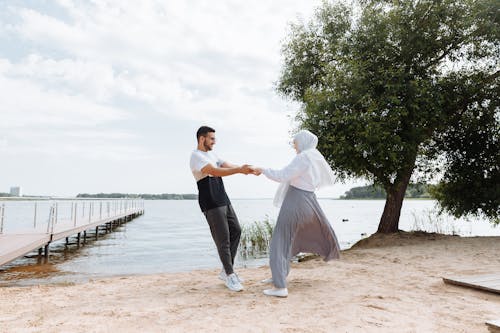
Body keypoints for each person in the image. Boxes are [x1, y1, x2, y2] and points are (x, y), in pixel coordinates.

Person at [254, 130, 341, 297]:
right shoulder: (313, 156)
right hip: (308, 199)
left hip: (296, 200)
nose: (295, 147)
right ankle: (278, 276)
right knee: (288, 239)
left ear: (303, 142)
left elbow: (282, 175)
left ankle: (280, 287)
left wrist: (262, 169)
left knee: (280, 241)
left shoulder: (303, 157)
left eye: (296, 144)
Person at [189, 126, 253, 292]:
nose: (214, 142)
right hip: (210, 200)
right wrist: (238, 170)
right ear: (202, 139)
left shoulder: (212, 154)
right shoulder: (196, 156)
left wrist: (244, 169)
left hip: (223, 197)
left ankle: (226, 271)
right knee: (223, 238)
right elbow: (215, 172)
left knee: (236, 230)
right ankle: (230, 276)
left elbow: (225, 164)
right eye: (211, 139)